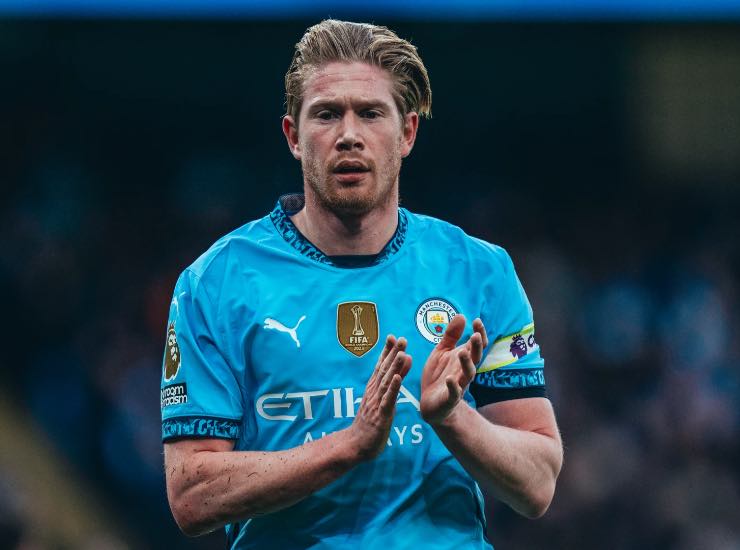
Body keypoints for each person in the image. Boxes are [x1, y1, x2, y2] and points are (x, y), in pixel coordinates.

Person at [161, 19, 562, 549]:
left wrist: (452, 419)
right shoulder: (214, 284)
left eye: (371, 113)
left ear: (407, 133)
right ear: (293, 136)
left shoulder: (480, 270)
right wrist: (348, 446)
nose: (349, 134)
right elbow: (191, 495)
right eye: (327, 114)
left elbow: (538, 484)